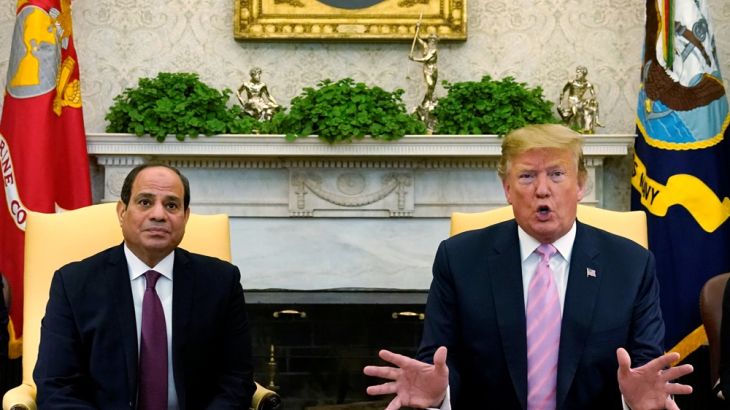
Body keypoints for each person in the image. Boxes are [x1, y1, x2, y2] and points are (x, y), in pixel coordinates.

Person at [364, 124, 693, 409]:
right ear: (507, 189)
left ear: (581, 184)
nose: (542, 190)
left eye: (557, 174)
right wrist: (440, 395)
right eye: (526, 176)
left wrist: (634, 401)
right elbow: (439, 363)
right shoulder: (459, 259)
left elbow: (644, 368)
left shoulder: (631, 265)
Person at [33, 163, 256, 409]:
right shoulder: (73, 284)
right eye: (145, 202)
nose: (158, 215)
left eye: (171, 205)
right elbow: (57, 385)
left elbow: (237, 379)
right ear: (122, 212)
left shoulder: (221, 282)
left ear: (185, 217)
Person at [558, 66, 602, 134]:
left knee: (591, 106)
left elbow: (593, 95)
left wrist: (590, 99)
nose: (577, 74)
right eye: (577, 72)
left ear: (583, 74)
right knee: (576, 111)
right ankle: (577, 129)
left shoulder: (588, 84)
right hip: (572, 101)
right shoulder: (571, 82)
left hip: (580, 101)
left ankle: (589, 127)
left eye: (579, 73)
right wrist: (561, 102)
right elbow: (563, 91)